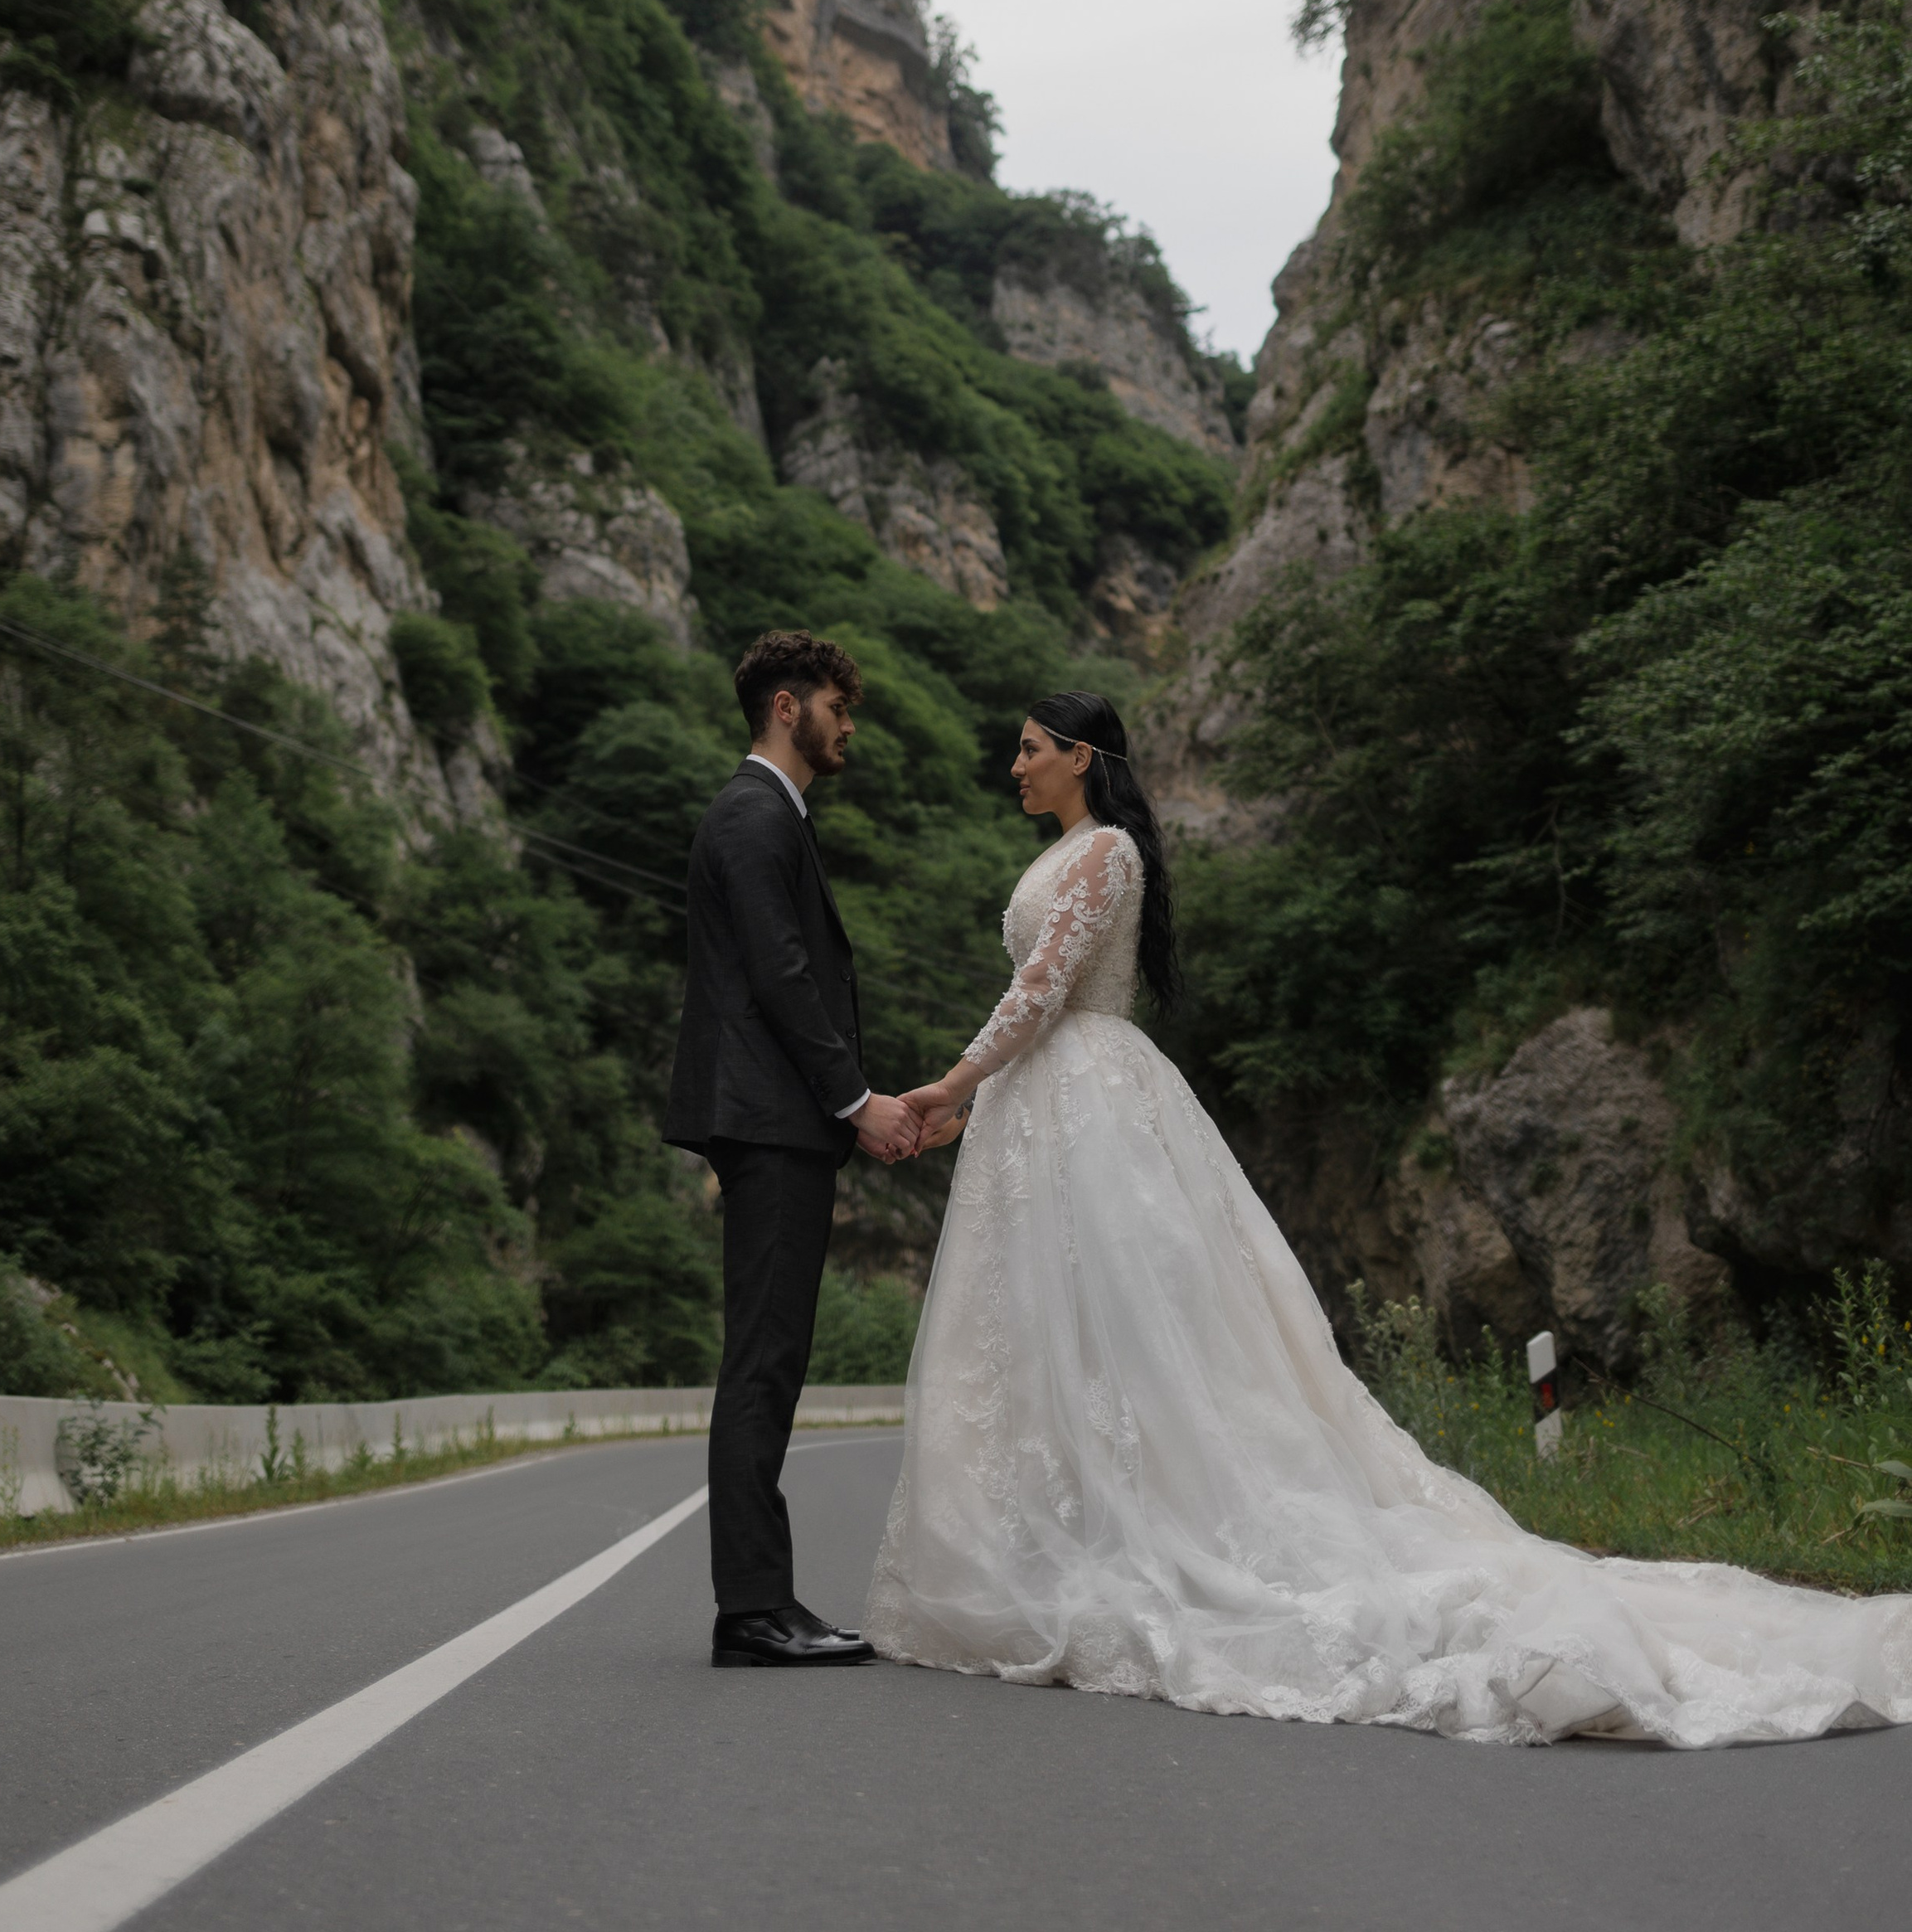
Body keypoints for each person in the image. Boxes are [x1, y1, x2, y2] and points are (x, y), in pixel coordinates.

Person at [865, 690, 1912, 1747]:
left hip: (1087, 1099)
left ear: (1082, 757)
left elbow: (1042, 991)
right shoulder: (1066, 855)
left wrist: (944, 1087)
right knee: (1054, 1336)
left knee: (1140, 1337)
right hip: (1045, 1108)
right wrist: (972, 1107)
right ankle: (1066, 1546)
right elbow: (1033, 1001)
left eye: (1031, 748)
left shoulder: (1104, 856)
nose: (1015, 764)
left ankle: (1147, 1541)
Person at [667, 628, 919, 1667]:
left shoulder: (769, 816)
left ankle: (761, 1603)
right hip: (773, 1121)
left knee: (770, 1361)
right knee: (762, 1365)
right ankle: (754, 1610)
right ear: (786, 705)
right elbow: (780, 977)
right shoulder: (752, 814)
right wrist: (857, 1098)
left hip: (774, 1122)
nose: (846, 724)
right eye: (835, 705)